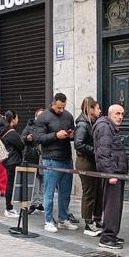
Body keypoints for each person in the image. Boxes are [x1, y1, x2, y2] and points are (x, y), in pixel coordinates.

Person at [38, 93, 78, 233]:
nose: (61, 110)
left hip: (66, 158)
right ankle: (48, 220)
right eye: (59, 107)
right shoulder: (43, 117)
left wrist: (71, 135)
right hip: (51, 159)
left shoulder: (68, 116)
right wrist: (56, 135)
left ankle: (63, 218)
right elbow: (39, 138)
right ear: (53, 103)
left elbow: (73, 133)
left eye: (63, 107)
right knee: (49, 192)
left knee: (65, 192)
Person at [94, 104, 128, 249]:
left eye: (122, 114)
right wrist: (110, 174)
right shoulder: (105, 127)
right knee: (112, 206)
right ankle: (107, 237)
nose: (120, 117)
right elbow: (103, 152)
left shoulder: (108, 127)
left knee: (115, 205)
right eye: (117, 114)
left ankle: (111, 234)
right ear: (110, 114)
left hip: (116, 172)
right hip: (112, 174)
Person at [74, 97, 104, 236]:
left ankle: (97, 219)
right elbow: (78, 143)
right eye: (97, 108)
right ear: (91, 109)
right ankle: (88, 223)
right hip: (86, 161)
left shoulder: (92, 122)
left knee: (98, 191)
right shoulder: (82, 124)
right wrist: (95, 150)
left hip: (92, 161)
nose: (100, 111)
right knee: (89, 193)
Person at [0, 110, 25, 218]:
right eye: (17, 117)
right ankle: (8, 208)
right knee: (10, 185)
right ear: (13, 119)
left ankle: (9, 207)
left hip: (8, 160)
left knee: (10, 184)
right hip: (13, 161)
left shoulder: (4, 130)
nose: (18, 120)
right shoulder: (11, 132)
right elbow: (21, 146)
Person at [21, 108, 45, 213]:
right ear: (35, 117)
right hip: (31, 156)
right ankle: (33, 204)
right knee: (33, 182)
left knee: (42, 182)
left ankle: (39, 202)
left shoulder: (47, 126)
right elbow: (22, 138)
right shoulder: (29, 126)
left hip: (43, 157)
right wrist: (27, 138)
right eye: (39, 116)